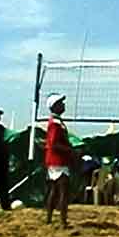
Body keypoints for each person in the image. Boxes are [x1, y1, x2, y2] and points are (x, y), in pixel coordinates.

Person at [45, 93, 75, 227]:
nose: (63, 105)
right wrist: (70, 150)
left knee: (55, 190)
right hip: (58, 161)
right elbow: (54, 144)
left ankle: (49, 219)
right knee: (63, 191)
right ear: (55, 107)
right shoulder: (55, 124)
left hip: (55, 160)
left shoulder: (56, 122)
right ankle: (63, 221)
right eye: (60, 103)